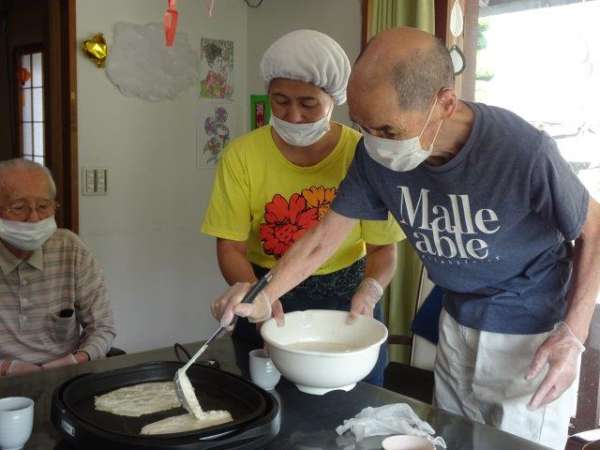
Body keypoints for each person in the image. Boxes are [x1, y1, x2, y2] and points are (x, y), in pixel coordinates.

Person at [211, 27, 600, 449]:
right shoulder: (372, 154)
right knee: (452, 438)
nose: (375, 143)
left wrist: (573, 335)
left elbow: (594, 230)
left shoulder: (521, 150)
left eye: (388, 130)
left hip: (530, 331)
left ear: (444, 103)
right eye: (362, 126)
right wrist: (265, 294)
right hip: (456, 317)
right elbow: (325, 236)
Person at [202, 29, 404, 386]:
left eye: (308, 104)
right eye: (280, 101)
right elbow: (230, 247)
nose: (293, 115)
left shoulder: (362, 154)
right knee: (269, 401)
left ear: (334, 99)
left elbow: (382, 248)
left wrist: (370, 290)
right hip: (265, 292)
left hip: (346, 303)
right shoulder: (242, 156)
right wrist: (258, 297)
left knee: (355, 402)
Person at [0, 159, 116, 376]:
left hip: (65, 375)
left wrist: (76, 359)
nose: (34, 218)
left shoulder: (70, 249)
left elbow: (103, 327)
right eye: (18, 207)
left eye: (43, 206)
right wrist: (6, 369)